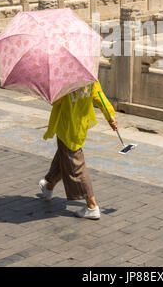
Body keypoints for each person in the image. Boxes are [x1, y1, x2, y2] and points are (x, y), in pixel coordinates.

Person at [39, 80, 118, 220]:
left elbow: (55, 101)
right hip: (80, 125)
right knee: (65, 155)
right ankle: (49, 185)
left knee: (75, 164)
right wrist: (110, 117)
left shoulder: (64, 79)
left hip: (66, 125)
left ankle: (92, 206)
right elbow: (100, 97)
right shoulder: (90, 78)